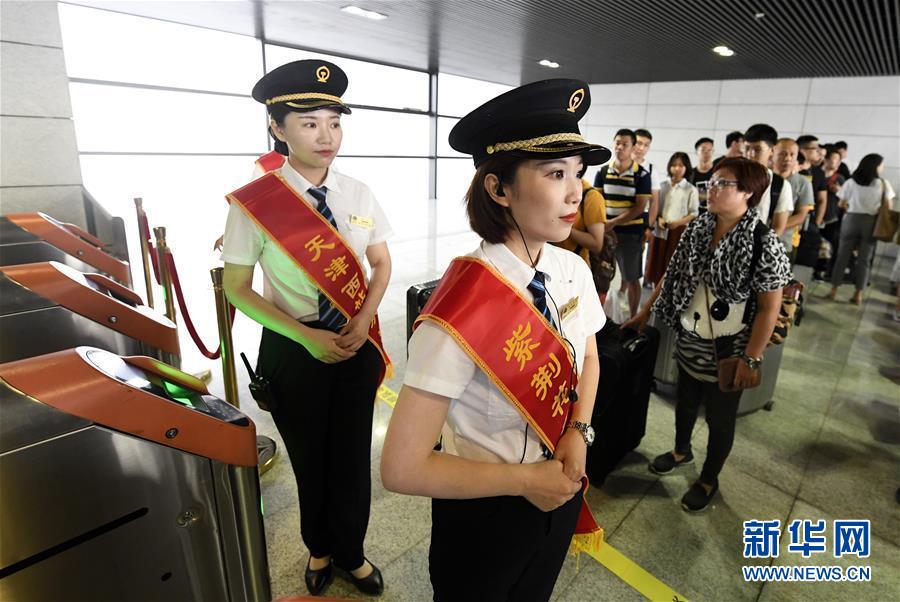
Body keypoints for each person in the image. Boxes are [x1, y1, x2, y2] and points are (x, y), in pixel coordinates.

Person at [381, 79, 608, 601]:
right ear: (498, 189)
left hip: (561, 484)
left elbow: (589, 356)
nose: (576, 191)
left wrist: (579, 430)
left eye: (579, 172)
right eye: (555, 173)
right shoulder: (462, 307)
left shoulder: (572, 269)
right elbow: (402, 466)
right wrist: (528, 482)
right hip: (484, 508)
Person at [221, 59, 393, 597]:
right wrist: (305, 337)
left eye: (335, 122)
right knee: (309, 459)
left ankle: (353, 552)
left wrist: (364, 321)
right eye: (310, 122)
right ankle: (319, 549)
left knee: (350, 460)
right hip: (293, 348)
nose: (327, 136)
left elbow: (381, 264)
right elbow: (237, 288)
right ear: (277, 128)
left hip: (354, 340)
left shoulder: (359, 193)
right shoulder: (256, 203)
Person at [628, 157, 791, 512]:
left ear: (748, 192)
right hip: (691, 335)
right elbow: (672, 275)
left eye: (722, 184)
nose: (711, 190)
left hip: (730, 347)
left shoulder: (765, 242)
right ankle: (680, 450)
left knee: (720, 418)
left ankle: (708, 478)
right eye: (710, 183)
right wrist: (645, 311)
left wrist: (751, 356)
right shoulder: (700, 227)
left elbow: (768, 308)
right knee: (685, 401)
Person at [595, 128, 652, 317]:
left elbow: (639, 207)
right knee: (601, 274)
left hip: (630, 234)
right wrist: (604, 225)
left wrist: (613, 223)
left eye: (624, 144)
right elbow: (597, 201)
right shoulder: (603, 172)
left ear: (633, 147)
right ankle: (600, 316)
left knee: (632, 277)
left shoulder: (642, 175)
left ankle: (633, 317)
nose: (620, 147)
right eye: (617, 142)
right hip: (605, 233)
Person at [826, 153, 896, 305]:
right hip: (870, 223)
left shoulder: (851, 182)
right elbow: (888, 207)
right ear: (876, 166)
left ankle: (833, 290)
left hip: (851, 220)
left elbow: (841, 204)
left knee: (842, 256)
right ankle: (858, 294)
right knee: (864, 260)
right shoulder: (883, 184)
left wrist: (853, 206)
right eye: (881, 165)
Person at [644, 151, 699, 286]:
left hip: (678, 232)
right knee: (656, 266)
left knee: (673, 267)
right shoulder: (661, 186)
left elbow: (694, 213)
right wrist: (659, 219)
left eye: (681, 165)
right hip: (660, 231)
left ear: (686, 168)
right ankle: (654, 294)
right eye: (674, 165)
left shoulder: (690, 189)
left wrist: (678, 223)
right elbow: (654, 206)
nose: (677, 169)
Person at [744, 123, 793, 235]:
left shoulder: (780, 186)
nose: (750, 154)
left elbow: (778, 228)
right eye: (747, 149)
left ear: (772, 150)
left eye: (757, 150)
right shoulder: (732, 177)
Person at [772, 138, 815, 255]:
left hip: (783, 243)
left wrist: (772, 229)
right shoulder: (763, 177)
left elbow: (801, 216)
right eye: (783, 154)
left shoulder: (803, 183)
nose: (788, 158)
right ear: (772, 152)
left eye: (792, 154)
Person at [553, 178, 607, 268]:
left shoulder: (591, 196)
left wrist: (563, 226)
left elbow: (596, 244)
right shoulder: (554, 190)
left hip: (575, 267)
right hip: (548, 263)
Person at [817, 146, 847, 279]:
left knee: (828, 245)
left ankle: (822, 271)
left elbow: (846, 199)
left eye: (838, 160)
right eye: (834, 159)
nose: (836, 163)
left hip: (831, 218)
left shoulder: (840, 178)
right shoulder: (817, 173)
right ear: (826, 159)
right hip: (815, 215)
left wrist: (839, 190)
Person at [633, 128, 663, 247]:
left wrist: (649, 227)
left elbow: (654, 201)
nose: (641, 148)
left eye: (646, 145)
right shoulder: (619, 164)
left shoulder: (651, 170)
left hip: (641, 218)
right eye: (639, 143)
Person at [692, 137, 715, 214]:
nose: (707, 153)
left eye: (710, 150)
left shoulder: (718, 173)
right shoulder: (690, 174)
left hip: (713, 215)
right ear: (696, 152)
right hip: (693, 216)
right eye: (703, 150)